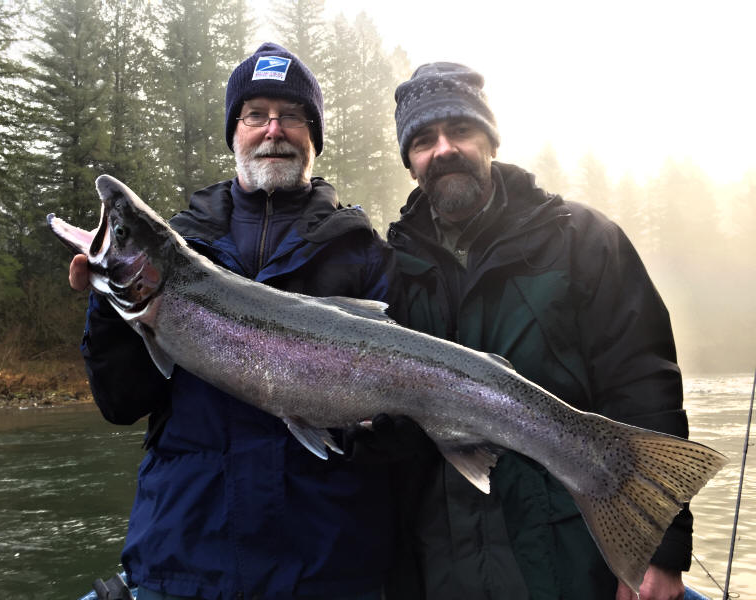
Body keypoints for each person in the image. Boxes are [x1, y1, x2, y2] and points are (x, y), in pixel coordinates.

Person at [68, 43, 397, 600]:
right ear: (235, 133)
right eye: (255, 115)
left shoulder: (365, 255)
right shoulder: (174, 248)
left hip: (326, 570)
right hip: (183, 563)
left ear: (312, 136)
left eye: (291, 115)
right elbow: (120, 403)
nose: (274, 129)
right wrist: (109, 300)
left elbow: (401, 438)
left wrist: (369, 428)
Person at [383, 62, 693, 600]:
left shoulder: (584, 240)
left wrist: (658, 551)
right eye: (424, 140)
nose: (444, 149)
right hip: (441, 565)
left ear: (491, 142)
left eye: (460, 131)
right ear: (411, 164)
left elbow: (643, 388)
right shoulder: (389, 268)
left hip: (569, 565)